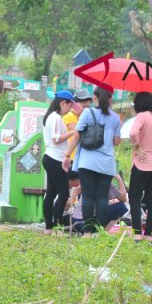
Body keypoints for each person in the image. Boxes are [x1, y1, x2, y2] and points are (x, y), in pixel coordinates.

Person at [64, 86, 122, 233]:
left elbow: (76, 135)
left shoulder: (87, 113)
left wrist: (66, 155)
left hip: (87, 162)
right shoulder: (115, 117)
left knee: (88, 197)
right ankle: (100, 232)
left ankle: (88, 233)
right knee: (102, 198)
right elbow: (116, 142)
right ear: (110, 99)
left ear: (95, 98)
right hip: (106, 164)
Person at [128, 92, 152, 240]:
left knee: (134, 197)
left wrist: (137, 146)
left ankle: (137, 233)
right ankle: (149, 235)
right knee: (151, 199)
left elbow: (132, 133)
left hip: (143, 163)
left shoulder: (141, 116)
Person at [41, 90, 76, 234]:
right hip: (55, 159)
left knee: (51, 193)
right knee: (63, 194)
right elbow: (56, 139)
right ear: (63, 103)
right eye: (69, 105)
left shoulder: (51, 117)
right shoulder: (55, 117)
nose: (70, 109)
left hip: (50, 158)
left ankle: (49, 227)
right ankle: (56, 226)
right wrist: (72, 133)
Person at [63, 88, 92, 167]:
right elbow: (79, 131)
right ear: (73, 104)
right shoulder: (69, 116)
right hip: (72, 158)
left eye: (88, 107)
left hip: (83, 158)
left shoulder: (85, 117)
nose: (86, 109)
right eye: (83, 106)